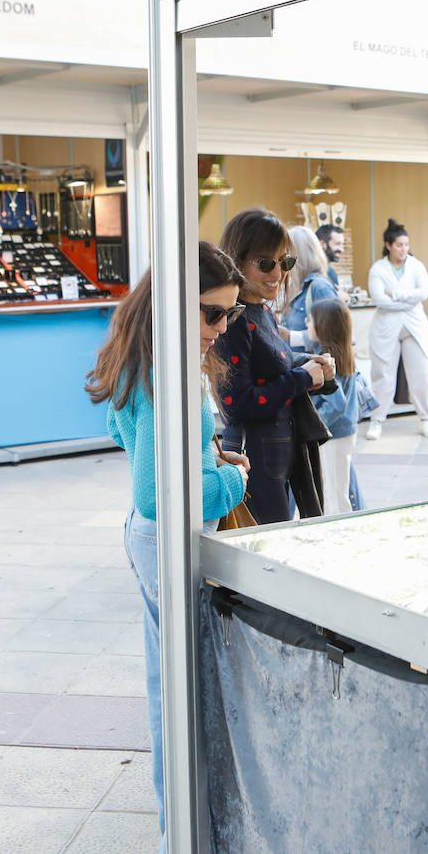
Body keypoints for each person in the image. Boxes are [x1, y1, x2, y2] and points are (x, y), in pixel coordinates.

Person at [83, 243, 250, 822]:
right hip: (169, 541)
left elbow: (125, 433)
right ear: (175, 303)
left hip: (156, 540)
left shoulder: (151, 356)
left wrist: (204, 458)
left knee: (173, 693)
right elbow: (156, 494)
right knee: (183, 702)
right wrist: (231, 483)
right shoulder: (164, 370)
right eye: (212, 312)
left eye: (230, 313)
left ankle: (179, 828)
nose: (221, 327)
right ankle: (183, 830)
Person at [215, 208, 336, 524]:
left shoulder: (261, 311)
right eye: (266, 263)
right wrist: (302, 377)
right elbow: (238, 403)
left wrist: (313, 368)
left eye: (286, 262)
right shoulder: (234, 320)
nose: (278, 273)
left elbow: (271, 368)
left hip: (278, 454)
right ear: (238, 261)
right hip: (254, 459)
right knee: (265, 544)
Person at [366, 218, 428, 439]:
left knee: (422, 373)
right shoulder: (378, 269)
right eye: (399, 245)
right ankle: (376, 421)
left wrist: (395, 294)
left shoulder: (417, 266)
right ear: (388, 245)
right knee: (382, 375)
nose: (404, 249)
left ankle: (426, 419)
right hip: (386, 326)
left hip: (414, 324)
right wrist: (409, 299)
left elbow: (423, 293)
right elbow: (380, 299)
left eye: (406, 244)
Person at [307, 297, 378, 515]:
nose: (307, 323)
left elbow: (336, 404)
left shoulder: (329, 359)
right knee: (338, 489)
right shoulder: (341, 353)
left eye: (310, 319)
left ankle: (339, 529)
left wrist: (314, 425)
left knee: (333, 493)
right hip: (343, 432)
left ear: (323, 325)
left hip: (333, 434)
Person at [280, 225, 339, 349]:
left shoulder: (319, 287)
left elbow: (333, 332)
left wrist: (290, 336)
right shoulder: (295, 287)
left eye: (285, 254)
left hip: (313, 360)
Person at [316, 223, 348, 295]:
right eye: (338, 244)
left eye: (342, 244)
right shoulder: (310, 272)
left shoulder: (331, 273)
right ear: (322, 244)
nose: (342, 250)